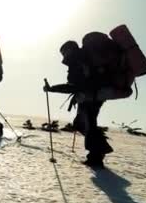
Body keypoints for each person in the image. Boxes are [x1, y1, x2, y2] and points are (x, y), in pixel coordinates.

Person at [44, 40, 113, 169]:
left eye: (64, 52)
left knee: (88, 124)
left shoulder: (78, 61)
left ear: (69, 50)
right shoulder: (82, 59)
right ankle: (99, 151)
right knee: (82, 124)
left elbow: (74, 86)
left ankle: (97, 156)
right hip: (93, 95)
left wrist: (52, 88)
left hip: (90, 96)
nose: (63, 56)